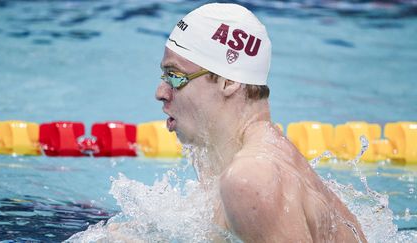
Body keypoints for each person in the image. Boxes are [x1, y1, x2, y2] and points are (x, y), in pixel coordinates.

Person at [155, 3, 367, 243]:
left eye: (175, 77)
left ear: (228, 82)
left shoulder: (249, 179)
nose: (161, 92)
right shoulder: (238, 157)